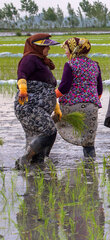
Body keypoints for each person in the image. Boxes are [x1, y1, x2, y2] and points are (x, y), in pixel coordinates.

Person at [14, 33, 61, 169]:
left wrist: (55, 108)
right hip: (29, 106)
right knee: (49, 131)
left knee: (36, 136)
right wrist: (22, 88)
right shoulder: (29, 59)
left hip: (40, 107)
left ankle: (35, 168)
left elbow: (49, 88)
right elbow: (22, 75)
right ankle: (26, 158)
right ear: (36, 47)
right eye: (46, 46)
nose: (48, 49)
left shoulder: (41, 61)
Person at [55, 37, 103, 158]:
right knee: (89, 142)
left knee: (50, 125)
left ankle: (42, 156)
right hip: (92, 108)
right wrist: (91, 101)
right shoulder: (94, 65)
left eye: (67, 50)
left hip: (72, 107)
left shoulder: (70, 64)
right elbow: (100, 90)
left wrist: (50, 95)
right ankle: (90, 169)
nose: (66, 53)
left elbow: (64, 88)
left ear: (74, 49)